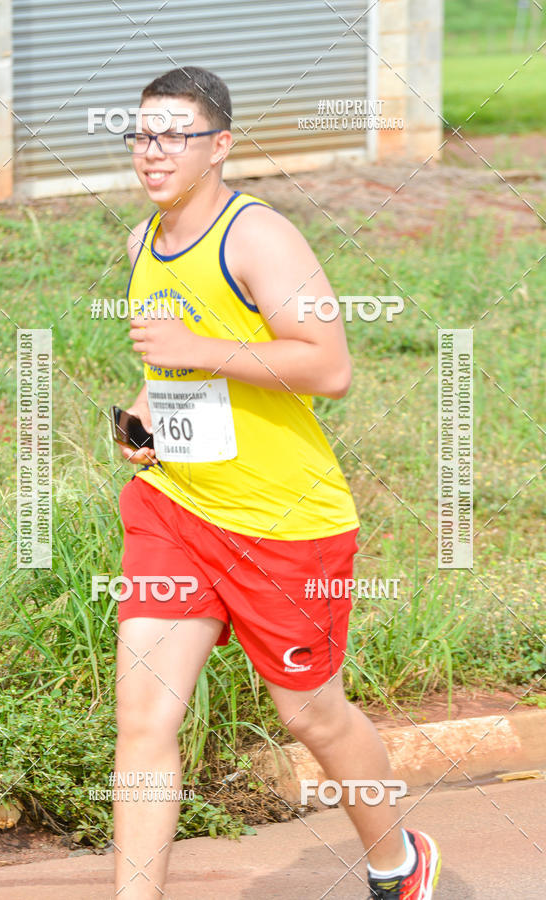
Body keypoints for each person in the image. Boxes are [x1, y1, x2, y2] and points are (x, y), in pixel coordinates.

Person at [114, 65, 441, 900]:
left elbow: (329, 365)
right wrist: (146, 420)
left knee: (310, 715)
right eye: (142, 133)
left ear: (219, 146)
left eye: (174, 135)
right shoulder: (142, 241)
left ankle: (398, 863)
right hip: (178, 511)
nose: (153, 152)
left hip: (285, 524)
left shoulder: (257, 237)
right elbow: (180, 357)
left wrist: (200, 343)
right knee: (144, 719)